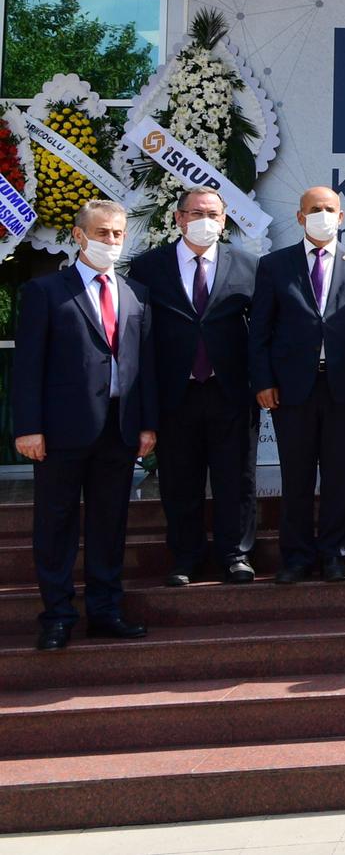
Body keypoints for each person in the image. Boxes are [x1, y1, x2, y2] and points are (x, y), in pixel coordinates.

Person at [13, 200, 157, 650]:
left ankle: (105, 611)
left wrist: (147, 424)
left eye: (117, 233)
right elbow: (27, 365)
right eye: (102, 233)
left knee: (109, 525)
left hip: (119, 429)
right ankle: (57, 616)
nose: (111, 241)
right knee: (55, 526)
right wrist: (28, 427)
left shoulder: (136, 293)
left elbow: (144, 366)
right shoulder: (45, 291)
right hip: (60, 432)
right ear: (79, 236)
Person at [249, 186, 345, 584]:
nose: (321, 215)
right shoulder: (275, 265)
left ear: (341, 217)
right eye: (314, 209)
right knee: (296, 476)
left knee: (340, 474)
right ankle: (296, 557)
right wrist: (263, 380)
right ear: (299, 216)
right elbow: (260, 330)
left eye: (328, 209)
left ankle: (335, 553)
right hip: (291, 389)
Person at [129, 187, 261, 586]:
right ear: (179, 218)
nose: (206, 221)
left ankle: (235, 554)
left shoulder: (248, 265)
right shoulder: (148, 267)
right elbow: (141, 336)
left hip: (231, 392)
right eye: (197, 213)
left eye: (214, 214)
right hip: (176, 393)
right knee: (179, 480)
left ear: (224, 220)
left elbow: (261, 331)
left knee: (236, 478)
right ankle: (186, 557)